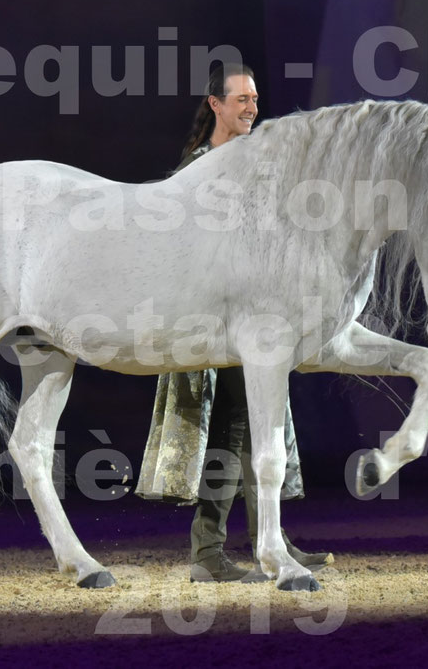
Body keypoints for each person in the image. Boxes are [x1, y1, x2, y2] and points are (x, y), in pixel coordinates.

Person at [135, 64, 333, 582]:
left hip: (253, 320)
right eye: (240, 99)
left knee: (257, 433)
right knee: (229, 433)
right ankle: (207, 552)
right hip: (210, 324)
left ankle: (272, 540)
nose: (251, 107)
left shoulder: (259, 163)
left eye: (255, 98)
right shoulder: (198, 168)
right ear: (215, 104)